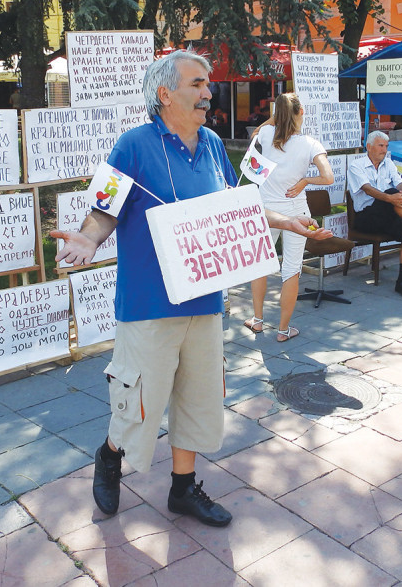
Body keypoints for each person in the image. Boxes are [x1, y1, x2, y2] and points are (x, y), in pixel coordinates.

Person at [49, 50, 333, 528]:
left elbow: (234, 208)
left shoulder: (214, 146)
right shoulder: (132, 146)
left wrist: (287, 220)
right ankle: (110, 455)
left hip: (204, 296)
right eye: (198, 84)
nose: (209, 92)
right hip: (148, 302)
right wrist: (88, 237)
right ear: (165, 93)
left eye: (208, 84)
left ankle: (183, 489)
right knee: (141, 401)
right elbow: (104, 209)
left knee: (198, 398)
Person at [245, 93, 334, 342]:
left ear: (277, 114)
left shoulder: (265, 135)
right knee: (291, 270)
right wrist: (306, 180)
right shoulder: (310, 144)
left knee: (260, 265)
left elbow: (255, 134)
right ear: (301, 112)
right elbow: (328, 177)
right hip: (297, 210)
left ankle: (258, 320)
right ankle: (284, 330)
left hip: (265, 210)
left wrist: (274, 117)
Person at [347, 131, 402, 298]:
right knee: (390, 193)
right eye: (381, 146)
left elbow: (399, 181)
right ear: (369, 146)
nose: (384, 150)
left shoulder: (388, 163)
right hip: (366, 218)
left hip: (387, 217)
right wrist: (391, 197)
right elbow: (367, 189)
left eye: (386, 146)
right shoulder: (356, 165)